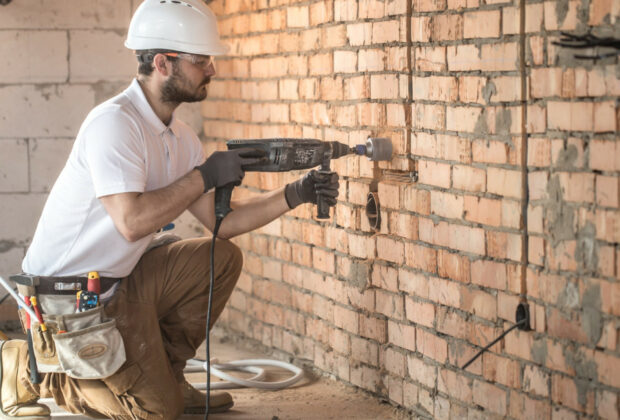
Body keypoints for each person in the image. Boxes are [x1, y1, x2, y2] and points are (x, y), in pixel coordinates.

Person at [0, 0, 339, 419]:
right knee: (157, 412)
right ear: (163, 62)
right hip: (64, 299)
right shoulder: (114, 125)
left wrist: (295, 193)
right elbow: (132, 222)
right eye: (202, 61)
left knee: (220, 257)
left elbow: (224, 225)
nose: (211, 70)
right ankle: (37, 368)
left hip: (121, 282)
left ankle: (169, 372)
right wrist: (205, 176)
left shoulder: (179, 137)